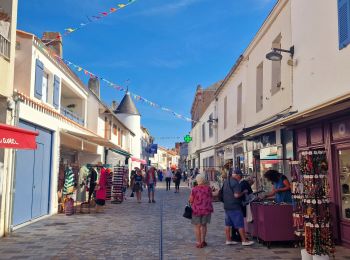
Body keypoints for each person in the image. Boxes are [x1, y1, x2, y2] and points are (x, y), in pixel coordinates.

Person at [223, 169, 254, 246]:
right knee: (240, 224)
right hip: (235, 206)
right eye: (240, 176)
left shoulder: (226, 181)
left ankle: (228, 240)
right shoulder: (236, 183)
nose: (240, 178)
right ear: (238, 175)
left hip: (227, 206)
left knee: (228, 224)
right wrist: (244, 192)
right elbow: (236, 195)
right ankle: (244, 240)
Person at [189, 174, 213, 248]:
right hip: (206, 210)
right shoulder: (208, 188)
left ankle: (198, 242)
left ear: (197, 180)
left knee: (197, 227)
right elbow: (211, 196)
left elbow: (191, 200)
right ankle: (203, 241)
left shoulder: (194, 189)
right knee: (204, 225)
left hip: (197, 210)